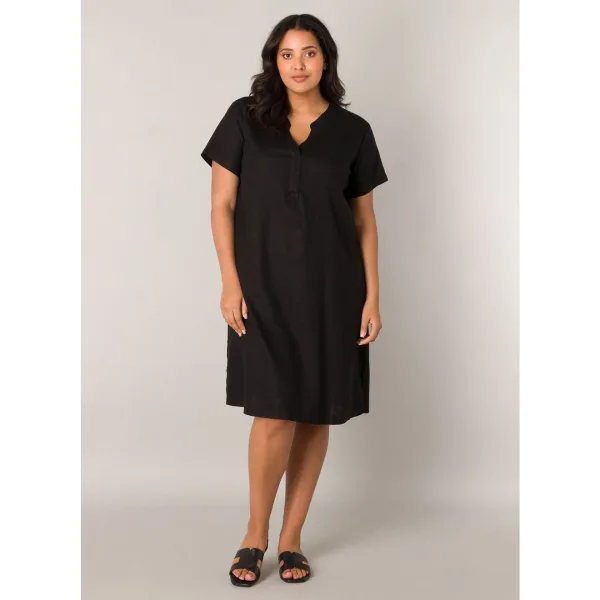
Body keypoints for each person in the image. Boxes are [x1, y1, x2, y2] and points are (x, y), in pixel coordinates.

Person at [201, 13, 389, 587]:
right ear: (274, 61)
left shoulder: (353, 131)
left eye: (309, 53)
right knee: (273, 412)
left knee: (315, 412)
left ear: (325, 59)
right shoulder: (245, 118)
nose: (298, 64)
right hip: (263, 289)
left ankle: (291, 539)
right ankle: (254, 534)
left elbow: (364, 221)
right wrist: (230, 282)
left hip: (334, 291)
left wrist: (372, 296)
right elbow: (221, 206)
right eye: (287, 54)